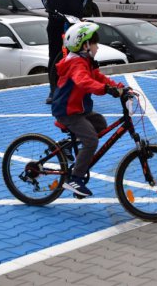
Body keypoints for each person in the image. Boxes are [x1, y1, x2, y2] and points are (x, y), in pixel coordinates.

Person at [51, 22, 124, 197]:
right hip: (67, 111)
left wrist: (120, 87)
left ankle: (68, 146)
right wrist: (105, 90)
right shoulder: (77, 64)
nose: (97, 47)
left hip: (79, 109)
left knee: (100, 123)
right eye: (95, 43)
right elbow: (83, 81)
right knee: (91, 140)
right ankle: (75, 179)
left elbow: (98, 77)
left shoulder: (85, 61)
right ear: (84, 45)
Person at [40, 0, 89, 104]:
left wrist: (76, 13)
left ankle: (77, 89)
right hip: (55, 21)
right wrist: (52, 11)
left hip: (74, 23)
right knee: (54, 56)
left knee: (77, 57)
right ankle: (53, 90)